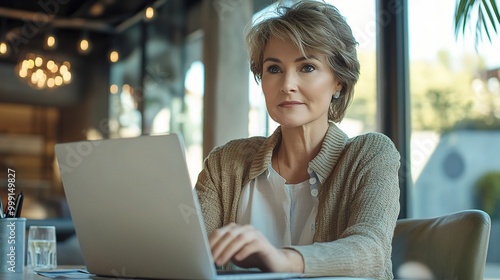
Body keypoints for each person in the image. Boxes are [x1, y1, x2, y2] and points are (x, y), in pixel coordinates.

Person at [195, 1, 400, 279]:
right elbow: (190, 252)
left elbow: (370, 251)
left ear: (338, 80)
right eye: (274, 69)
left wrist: (281, 258)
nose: (287, 84)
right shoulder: (225, 162)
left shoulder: (371, 154)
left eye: (307, 67)